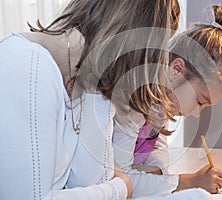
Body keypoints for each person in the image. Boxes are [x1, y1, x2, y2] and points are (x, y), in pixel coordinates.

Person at [0, 0, 180, 199]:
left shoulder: (86, 80)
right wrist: (120, 187)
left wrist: (100, 92)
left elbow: (90, 180)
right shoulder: (29, 66)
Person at [113, 5, 222, 198]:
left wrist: (159, 172)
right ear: (176, 70)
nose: (196, 113)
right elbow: (118, 180)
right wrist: (189, 182)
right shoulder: (134, 101)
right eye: (199, 101)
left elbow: (156, 144)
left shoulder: (165, 99)